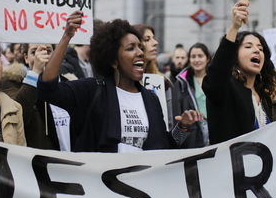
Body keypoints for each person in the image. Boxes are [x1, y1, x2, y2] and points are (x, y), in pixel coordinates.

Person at [38, 12, 202, 152]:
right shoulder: (92, 90)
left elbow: (164, 146)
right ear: (113, 61)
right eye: (131, 48)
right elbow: (48, 90)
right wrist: (67, 36)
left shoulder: (151, 99)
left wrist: (183, 127)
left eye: (140, 47)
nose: (139, 52)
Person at [203, 2, 276, 144]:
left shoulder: (264, 95)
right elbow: (215, 77)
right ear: (234, 55)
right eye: (248, 46)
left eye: (260, 48)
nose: (256, 50)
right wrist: (234, 28)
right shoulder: (225, 89)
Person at [15, 43, 71, 151]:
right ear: (26, 58)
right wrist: (36, 72)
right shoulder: (14, 84)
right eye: (34, 52)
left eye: (48, 51)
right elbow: (18, 116)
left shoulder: (69, 85)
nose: (41, 56)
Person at [173, 43, 212, 147]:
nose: (196, 60)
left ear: (207, 58)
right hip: (193, 135)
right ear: (189, 59)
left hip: (214, 130)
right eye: (193, 56)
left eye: (200, 56)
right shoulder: (181, 83)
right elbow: (177, 110)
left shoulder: (215, 80)